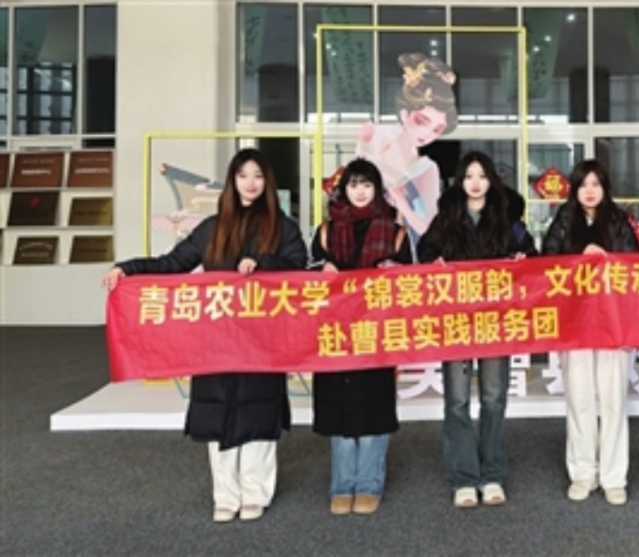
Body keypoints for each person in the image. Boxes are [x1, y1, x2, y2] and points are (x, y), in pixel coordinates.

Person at [101, 148, 308, 523]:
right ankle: (225, 495)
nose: (250, 183)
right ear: (232, 181)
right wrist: (127, 269)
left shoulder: (283, 227)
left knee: (259, 412)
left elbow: (300, 269)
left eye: (258, 176)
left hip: (262, 339)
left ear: (268, 182)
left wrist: (264, 263)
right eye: (243, 176)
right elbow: (173, 263)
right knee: (217, 411)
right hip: (217, 337)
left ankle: (255, 492)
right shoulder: (212, 227)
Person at [416, 151, 537, 508]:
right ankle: (464, 477)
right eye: (469, 176)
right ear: (460, 181)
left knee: (494, 398)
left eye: (482, 175)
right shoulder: (446, 218)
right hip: (456, 321)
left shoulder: (506, 218)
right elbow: (424, 252)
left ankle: (492, 474)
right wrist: (434, 262)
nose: (475, 182)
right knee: (456, 401)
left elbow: (531, 254)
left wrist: (522, 259)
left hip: (495, 322)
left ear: (491, 181)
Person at [309, 159, 412, 516]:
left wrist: (395, 271)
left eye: (367, 184)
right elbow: (304, 279)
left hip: (376, 334)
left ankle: (368, 483)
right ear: (343, 190)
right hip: (334, 335)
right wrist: (321, 270)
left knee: (373, 408)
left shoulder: (395, 232)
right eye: (353, 184)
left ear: (377, 189)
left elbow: (412, 285)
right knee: (338, 409)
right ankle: (342, 485)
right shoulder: (325, 231)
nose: (360, 191)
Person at [541, 159, 639, 505]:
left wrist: (606, 258)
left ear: (605, 188)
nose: (590, 190)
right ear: (574, 188)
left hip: (613, 323)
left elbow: (635, 265)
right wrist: (577, 257)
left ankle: (614, 476)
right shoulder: (564, 220)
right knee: (579, 399)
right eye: (583, 184)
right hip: (575, 324)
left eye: (596, 184)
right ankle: (583, 473)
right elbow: (546, 263)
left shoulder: (618, 221)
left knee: (613, 402)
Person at [355, 52, 459, 248]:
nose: (427, 134)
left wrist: (401, 202)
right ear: (404, 113)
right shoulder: (378, 138)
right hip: (368, 242)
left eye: (437, 129)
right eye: (422, 121)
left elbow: (429, 230)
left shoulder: (426, 169)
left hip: (406, 249)